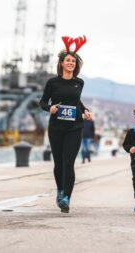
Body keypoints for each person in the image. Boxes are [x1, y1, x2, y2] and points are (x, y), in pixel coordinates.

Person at [39, 35, 92, 213]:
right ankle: (60, 190)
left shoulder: (79, 82)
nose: (71, 63)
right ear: (62, 63)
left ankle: (66, 198)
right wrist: (50, 108)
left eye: (73, 61)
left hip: (75, 127)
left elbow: (76, 102)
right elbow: (43, 103)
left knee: (69, 162)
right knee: (59, 163)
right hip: (56, 128)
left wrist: (84, 110)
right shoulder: (52, 82)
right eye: (68, 60)